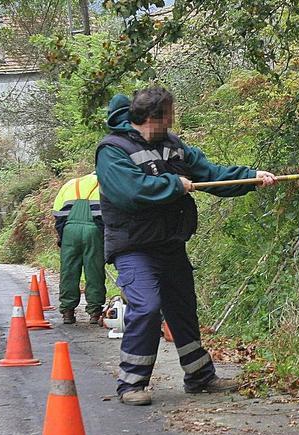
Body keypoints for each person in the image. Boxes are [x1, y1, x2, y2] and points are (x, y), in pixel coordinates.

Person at [96, 87, 277, 406]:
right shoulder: (112, 150)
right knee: (147, 307)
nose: (173, 118)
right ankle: (132, 384)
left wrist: (251, 177)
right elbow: (130, 192)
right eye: (169, 113)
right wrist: (173, 185)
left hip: (170, 245)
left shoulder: (174, 146)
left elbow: (211, 174)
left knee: (183, 310)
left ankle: (200, 376)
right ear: (154, 117)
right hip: (134, 247)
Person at [52, 173, 106, 325]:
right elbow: (111, 214)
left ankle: (68, 312)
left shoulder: (70, 184)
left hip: (70, 230)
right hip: (94, 230)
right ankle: (95, 312)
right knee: (94, 271)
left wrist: (63, 236)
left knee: (68, 271)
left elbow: (57, 214)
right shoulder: (105, 183)